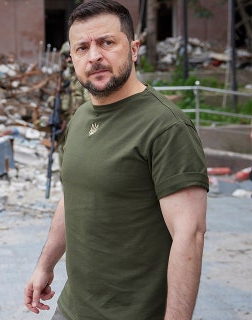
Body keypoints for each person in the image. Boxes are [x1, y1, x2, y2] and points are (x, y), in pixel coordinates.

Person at [24, 1, 209, 319]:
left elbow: (189, 235)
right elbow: (73, 195)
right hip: (72, 309)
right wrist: (45, 264)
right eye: (82, 47)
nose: (94, 56)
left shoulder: (166, 126)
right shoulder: (82, 117)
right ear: (72, 60)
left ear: (134, 49)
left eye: (107, 42)